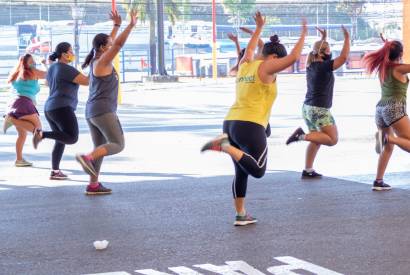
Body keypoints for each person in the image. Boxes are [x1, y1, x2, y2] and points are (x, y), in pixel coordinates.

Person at [201, 12, 307, 226]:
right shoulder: (266, 67)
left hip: (231, 123)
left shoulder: (245, 63)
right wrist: (304, 33)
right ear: (274, 58)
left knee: (241, 172)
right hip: (249, 124)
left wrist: (258, 27)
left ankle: (241, 214)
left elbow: (250, 48)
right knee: (258, 170)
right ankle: (224, 146)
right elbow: (294, 58)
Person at [75, 9, 138, 195]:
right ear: (103, 48)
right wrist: (130, 26)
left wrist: (116, 26)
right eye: (107, 45)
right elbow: (117, 45)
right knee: (117, 144)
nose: (110, 46)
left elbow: (110, 42)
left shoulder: (97, 58)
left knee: (101, 148)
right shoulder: (102, 61)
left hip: (92, 111)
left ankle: (93, 185)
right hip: (103, 111)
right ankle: (87, 158)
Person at [285, 26, 350, 178]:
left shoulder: (311, 65)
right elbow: (344, 57)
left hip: (308, 108)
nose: (330, 53)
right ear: (323, 52)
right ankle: (301, 136)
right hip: (319, 110)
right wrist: (347, 37)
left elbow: (319, 49)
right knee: (332, 139)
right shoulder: (324, 66)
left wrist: (324, 38)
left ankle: (308, 170)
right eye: (328, 50)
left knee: (317, 140)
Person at [32, 42, 89, 180]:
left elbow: (47, 83)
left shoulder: (53, 68)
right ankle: (42, 134)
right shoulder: (65, 68)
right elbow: (87, 81)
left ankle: (55, 171)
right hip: (61, 107)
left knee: (60, 139)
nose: (72, 54)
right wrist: (93, 65)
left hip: (50, 108)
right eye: (70, 51)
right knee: (72, 137)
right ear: (64, 54)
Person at [363, 34, 410, 191]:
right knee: (397, 142)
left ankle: (378, 181)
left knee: (387, 148)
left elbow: (394, 58)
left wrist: (388, 46)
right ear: (401, 54)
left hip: (380, 109)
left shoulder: (383, 68)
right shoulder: (399, 69)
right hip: (394, 108)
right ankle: (388, 138)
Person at [3, 54, 46, 167]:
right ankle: (12, 120)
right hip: (24, 103)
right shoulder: (32, 71)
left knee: (22, 135)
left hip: (14, 104)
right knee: (39, 131)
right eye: (31, 62)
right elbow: (48, 75)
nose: (33, 63)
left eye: (34, 62)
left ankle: (19, 159)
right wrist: (44, 63)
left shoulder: (16, 73)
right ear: (25, 63)